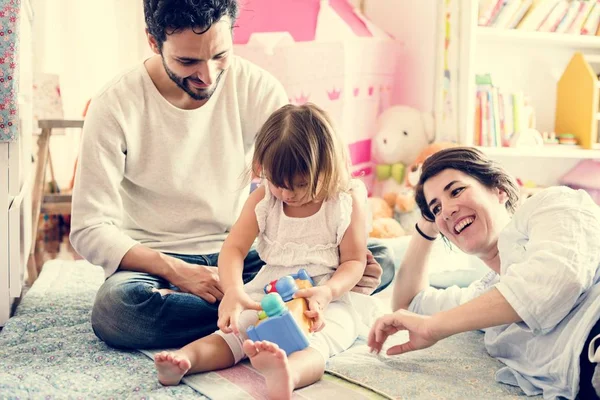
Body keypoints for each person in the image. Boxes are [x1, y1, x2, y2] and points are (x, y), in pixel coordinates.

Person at [70, 0, 394, 350]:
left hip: (251, 254)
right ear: (153, 42)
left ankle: (251, 308)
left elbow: (300, 170)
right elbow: (89, 228)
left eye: (219, 55)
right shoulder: (114, 104)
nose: (208, 76)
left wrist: (348, 238)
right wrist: (177, 271)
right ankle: (272, 311)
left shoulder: (258, 87)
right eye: (187, 61)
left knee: (381, 260)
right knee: (116, 312)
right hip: (156, 262)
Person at [154, 102, 372, 399]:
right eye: (277, 183)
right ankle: (186, 360)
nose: (287, 194)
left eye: (300, 184)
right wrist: (233, 292)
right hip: (268, 292)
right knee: (236, 331)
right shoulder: (264, 200)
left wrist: (329, 292)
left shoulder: (342, 203)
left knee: (321, 340)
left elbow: (354, 260)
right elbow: (233, 249)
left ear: (326, 168)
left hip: (324, 300)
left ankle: (287, 374)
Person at [368, 147, 600, 399]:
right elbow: (408, 305)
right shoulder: (484, 296)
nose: (446, 210)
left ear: (498, 190)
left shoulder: (553, 204)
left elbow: (554, 282)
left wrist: (435, 327)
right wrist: (428, 224)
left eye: (456, 191)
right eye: (436, 208)